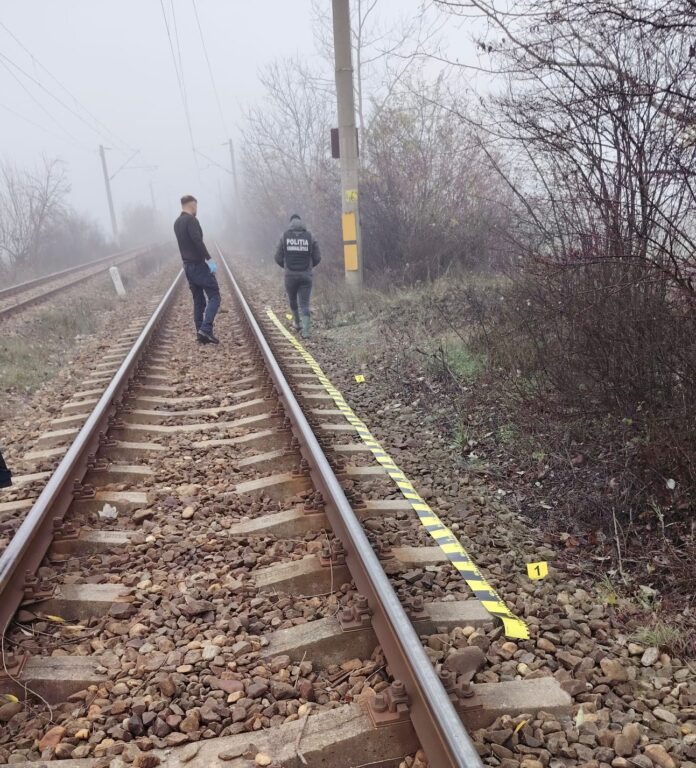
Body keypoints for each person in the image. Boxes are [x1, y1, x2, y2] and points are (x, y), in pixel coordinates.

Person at [174, 195, 221, 344]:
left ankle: (200, 334)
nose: (197, 210)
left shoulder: (177, 223)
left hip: (187, 267)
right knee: (214, 295)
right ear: (192, 206)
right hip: (198, 265)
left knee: (199, 300)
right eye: (196, 207)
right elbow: (197, 241)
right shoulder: (192, 220)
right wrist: (209, 259)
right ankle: (205, 329)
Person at [274, 213, 321, 339]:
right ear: (301, 223)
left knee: (293, 300)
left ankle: (297, 323)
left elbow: (277, 257)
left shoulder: (284, 236)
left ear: (290, 223)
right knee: (305, 304)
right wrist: (309, 267)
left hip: (290, 276)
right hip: (306, 276)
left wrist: (286, 267)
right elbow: (317, 257)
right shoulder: (310, 237)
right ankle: (306, 332)